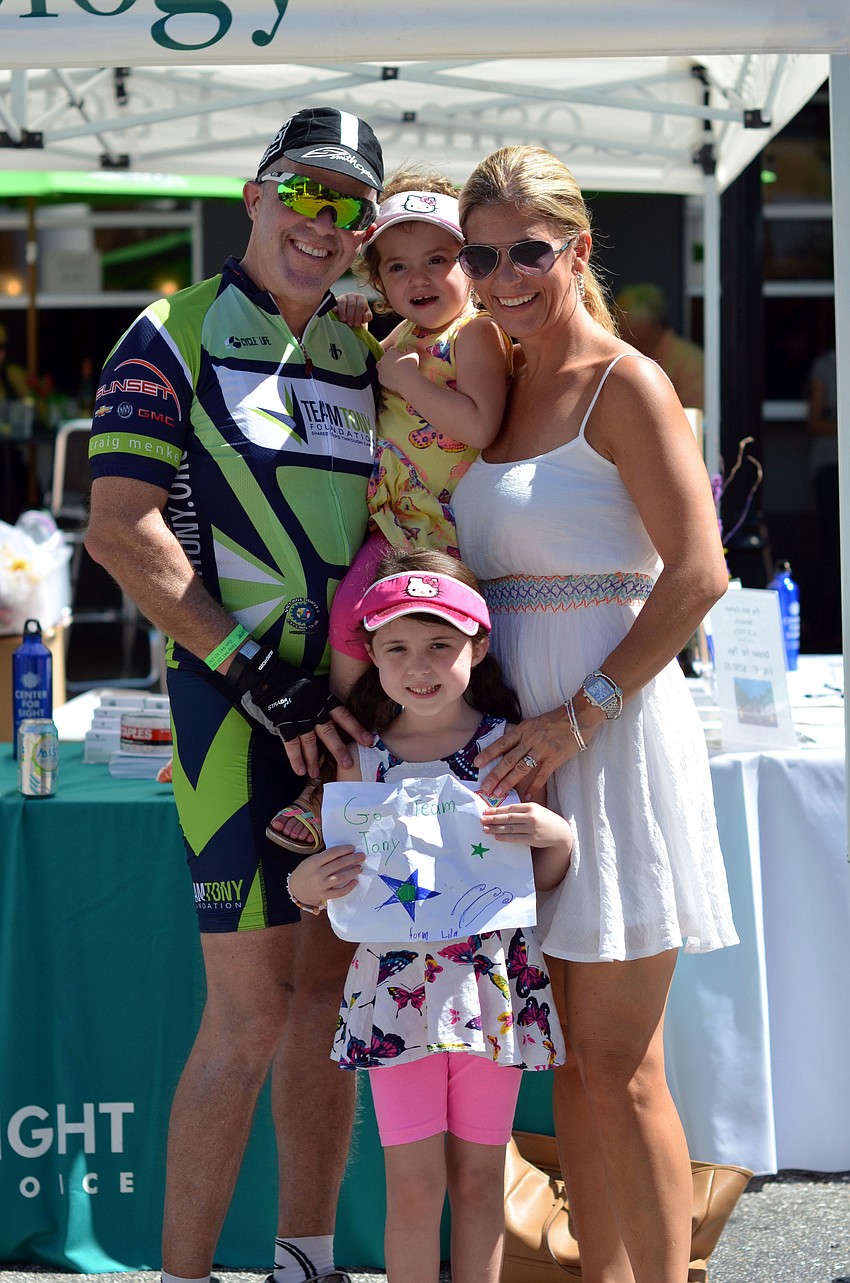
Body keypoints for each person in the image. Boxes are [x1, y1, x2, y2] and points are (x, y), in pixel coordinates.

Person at [85, 107, 387, 1283]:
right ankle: (183, 1276)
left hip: (355, 713)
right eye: (304, 194)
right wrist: (255, 671)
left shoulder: (368, 346)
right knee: (249, 1013)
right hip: (237, 710)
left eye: (348, 206)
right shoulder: (169, 332)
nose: (323, 223)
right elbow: (121, 531)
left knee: (329, 1001)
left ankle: (305, 1261)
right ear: (255, 193)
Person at [451, 146, 739, 1283]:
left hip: (608, 741)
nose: (504, 273)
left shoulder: (628, 382)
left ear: (575, 248)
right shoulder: (497, 384)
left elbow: (699, 573)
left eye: (528, 248)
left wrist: (583, 714)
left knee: (620, 1062)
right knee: (566, 1065)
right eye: (484, 253)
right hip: (517, 749)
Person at [287, 547, 573, 1283]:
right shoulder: (358, 761)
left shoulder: (508, 747)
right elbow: (339, 886)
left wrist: (557, 837)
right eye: (398, 647)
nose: (421, 664)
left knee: (481, 1181)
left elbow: (532, 880)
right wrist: (306, 885)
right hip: (394, 999)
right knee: (413, 1185)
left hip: (491, 992)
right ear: (372, 656)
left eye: (440, 644)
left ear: (477, 646)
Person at [267, 170, 512, 855]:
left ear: (470, 265)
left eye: (440, 259)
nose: (420, 277)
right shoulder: (399, 333)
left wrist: (402, 374)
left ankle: (425, 779)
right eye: (398, 266)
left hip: (451, 541)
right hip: (393, 531)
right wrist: (355, 318)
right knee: (352, 628)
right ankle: (335, 773)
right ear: (380, 280)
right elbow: (371, 361)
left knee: (448, 671)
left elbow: (482, 424)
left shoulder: (476, 336)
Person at [615, 281, 705, 411]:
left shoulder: (690, 362)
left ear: (644, 329)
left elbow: (698, 421)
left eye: (624, 329)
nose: (619, 336)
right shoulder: (623, 359)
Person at [806, 347, 840, 651]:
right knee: (835, 546)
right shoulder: (825, 363)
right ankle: (824, 628)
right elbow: (814, 420)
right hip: (832, 465)